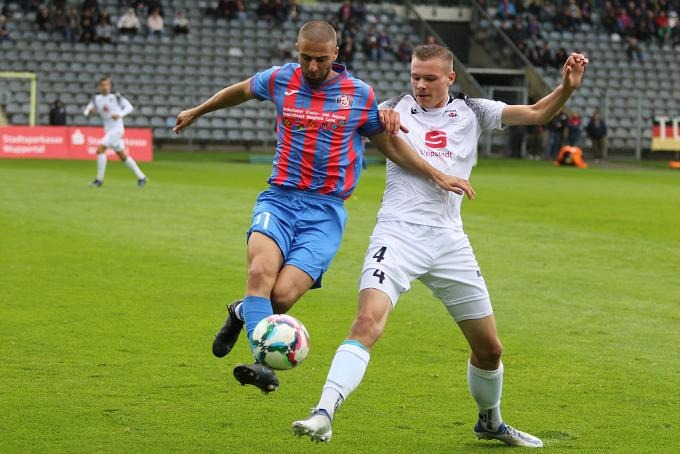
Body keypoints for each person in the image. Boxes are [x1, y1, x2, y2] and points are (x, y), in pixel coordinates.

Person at [291, 44, 588, 448]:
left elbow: (537, 112)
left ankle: (490, 421)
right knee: (367, 322)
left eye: (430, 78)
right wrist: (380, 117)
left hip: (450, 242)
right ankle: (323, 412)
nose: (421, 84)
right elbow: (356, 116)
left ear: (450, 78)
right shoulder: (392, 109)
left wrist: (566, 88)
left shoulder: (474, 111)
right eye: (416, 76)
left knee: (490, 350)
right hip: (397, 235)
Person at [173, 21, 472, 394]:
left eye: (319, 59)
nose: (311, 67)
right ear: (297, 50)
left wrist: (437, 174)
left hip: (325, 212)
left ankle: (240, 311)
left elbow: (390, 145)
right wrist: (198, 110)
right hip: (279, 200)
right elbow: (241, 90)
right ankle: (261, 363)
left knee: (280, 297)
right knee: (259, 273)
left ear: (335, 54)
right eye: (305, 58)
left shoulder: (358, 95)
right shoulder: (281, 79)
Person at [84, 76, 147, 188]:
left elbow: (129, 107)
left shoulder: (116, 96)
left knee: (100, 150)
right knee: (123, 156)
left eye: (107, 85)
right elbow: (86, 111)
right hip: (108, 131)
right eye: (103, 85)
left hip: (117, 130)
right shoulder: (96, 99)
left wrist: (119, 115)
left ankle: (99, 180)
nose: (105, 87)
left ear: (110, 86)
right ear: (99, 86)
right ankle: (141, 177)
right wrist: (89, 111)